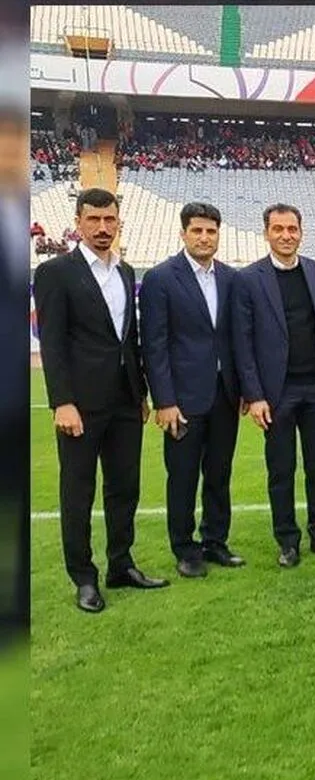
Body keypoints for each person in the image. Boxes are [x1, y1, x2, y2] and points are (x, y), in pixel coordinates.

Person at [33, 187, 167, 612]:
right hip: (81, 404)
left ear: (119, 223)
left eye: (110, 220)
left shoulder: (125, 271)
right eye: (94, 219)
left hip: (125, 400)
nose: (102, 227)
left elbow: (129, 339)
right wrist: (62, 402)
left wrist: (141, 392)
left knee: (124, 487)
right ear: (78, 222)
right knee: (78, 491)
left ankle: (121, 564)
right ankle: (84, 577)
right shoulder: (56, 272)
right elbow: (52, 342)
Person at [232, 204, 315, 567]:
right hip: (277, 393)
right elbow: (243, 343)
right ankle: (287, 541)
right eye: (278, 229)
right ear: (266, 233)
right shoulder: (248, 279)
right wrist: (254, 395)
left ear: (301, 232)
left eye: (292, 229)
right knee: (281, 470)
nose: (286, 235)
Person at [139, 202, 243, 578]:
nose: (204, 237)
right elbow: (154, 344)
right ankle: (185, 548)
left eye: (211, 231)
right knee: (182, 476)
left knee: (219, 472)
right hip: (182, 399)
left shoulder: (231, 278)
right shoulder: (161, 278)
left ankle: (215, 540)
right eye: (197, 230)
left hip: (224, 395)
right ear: (183, 233)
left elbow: (235, 338)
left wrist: (243, 388)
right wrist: (164, 400)